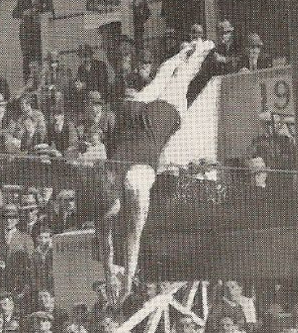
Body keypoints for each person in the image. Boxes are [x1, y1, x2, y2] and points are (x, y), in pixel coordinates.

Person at [91, 38, 215, 305]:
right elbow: (120, 243)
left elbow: (120, 243)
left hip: (146, 118)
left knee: (172, 77)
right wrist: (118, 278)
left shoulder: (119, 188)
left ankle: (195, 48)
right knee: (172, 76)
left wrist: (119, 279)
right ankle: (195, 47)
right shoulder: (124, 186)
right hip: (148, 117)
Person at [12, 0, 55, 81]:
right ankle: (27, 82)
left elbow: (52, 14)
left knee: (42, 57)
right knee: (27, 59)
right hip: (27, 34)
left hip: (41, 34)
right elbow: (14, 13)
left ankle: (43, 81)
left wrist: (44, 15)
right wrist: (24, 13)